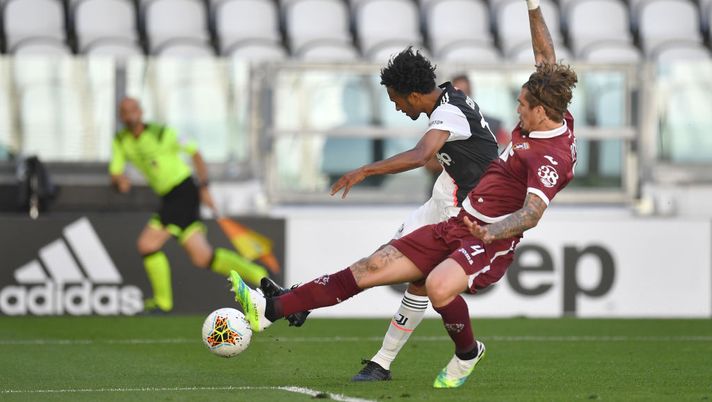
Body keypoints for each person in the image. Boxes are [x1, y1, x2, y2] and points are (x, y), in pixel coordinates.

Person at [231, 0, 577, 389]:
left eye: (522, 104)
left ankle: (421, 355)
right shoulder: (544, 109)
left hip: (474, 217)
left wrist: (366, 169)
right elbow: (546, 58)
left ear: (541, 111)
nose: (516, 108)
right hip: (454, 201)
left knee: (423, 282)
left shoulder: (545, 154)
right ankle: (278, 309)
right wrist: (533, 7)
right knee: (376, 267)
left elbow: (428, 158)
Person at [263, 46, 499, 377]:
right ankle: (303, 304)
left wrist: (365, 170)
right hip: (446, 194)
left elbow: (421, 155)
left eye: (396, 100)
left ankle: (384, 359)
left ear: (414, 95)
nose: (396, 106)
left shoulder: (450, 112)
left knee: (407, 277)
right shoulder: (449, 99)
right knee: (378, 263)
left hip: (463, 210)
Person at [109, 97, 268, 313]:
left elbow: (195, 151)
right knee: (203, 258)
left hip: (183, 191)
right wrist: (120, 181)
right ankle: (258, 274)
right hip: (168, 197)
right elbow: (115, 172)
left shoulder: (161, 132)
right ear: (121, 116)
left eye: (132, 110)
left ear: (141, 111)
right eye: (124, 112)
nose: (129, 116)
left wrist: (204, 187)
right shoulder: (120, 140)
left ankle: (163, 302)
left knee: (146, 244)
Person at [451, 74, 512, 150]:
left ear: (470, 93)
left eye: (465, 93)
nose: (461, 98)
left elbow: (509, 147)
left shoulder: (492, 124)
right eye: (457, 94)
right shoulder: (445, 124)